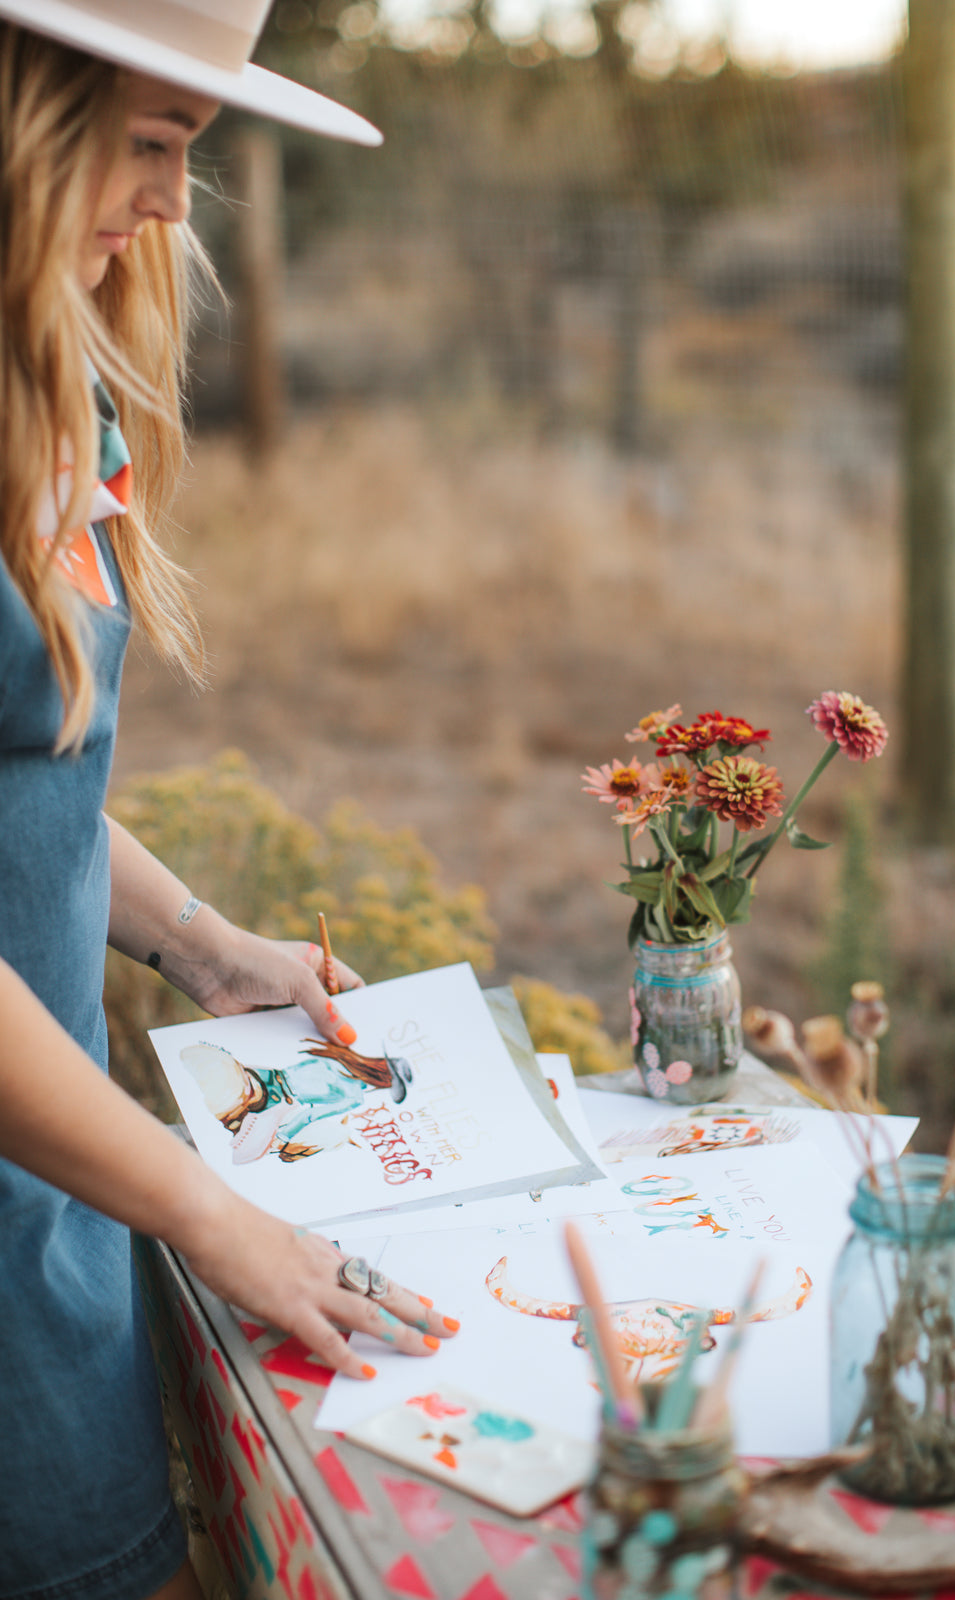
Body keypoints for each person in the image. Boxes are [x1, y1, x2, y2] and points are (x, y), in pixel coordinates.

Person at [0, 4, 459, 1597]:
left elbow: (25, 781)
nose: (179, 208)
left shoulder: (51, 374)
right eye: (152, 145)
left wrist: (205, 944)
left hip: (51, 1215)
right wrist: (212, 1214)